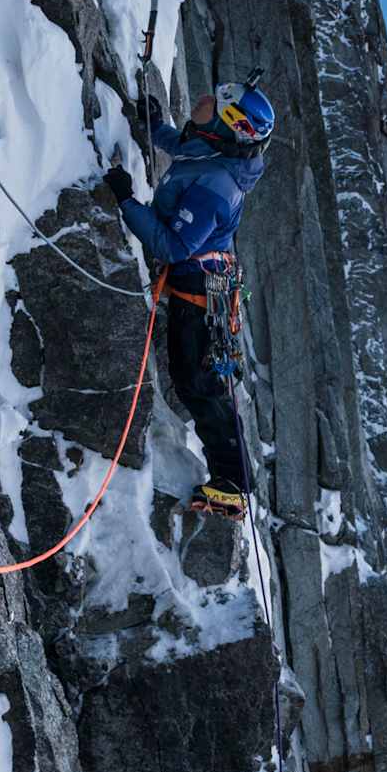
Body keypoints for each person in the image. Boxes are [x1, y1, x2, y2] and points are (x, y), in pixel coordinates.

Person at [103, 77, 275, 519]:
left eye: (213, 103)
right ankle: (233, 479)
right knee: (199, 381)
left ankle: (233, 485)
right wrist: (154, 125)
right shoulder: (213, 152)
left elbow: (173, 246)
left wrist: (126, 200)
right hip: (204, 284)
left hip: (198, 292)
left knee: (199, 385)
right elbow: (183, 146)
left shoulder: (217, 184)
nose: (201, 99)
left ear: (226, 125)